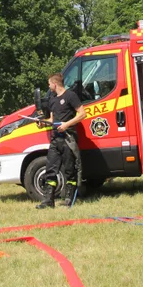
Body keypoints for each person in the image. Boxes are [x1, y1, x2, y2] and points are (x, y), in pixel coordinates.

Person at [37, 73, 87, 209]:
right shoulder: (53, 100)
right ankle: (48, 201)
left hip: (68, 138)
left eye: (49, 84)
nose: (48, 86)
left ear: (55, 84)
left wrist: (66, 124)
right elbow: (52, 120)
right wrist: (43, 123)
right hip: (55, 140)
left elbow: (83, 114)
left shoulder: (71, 96)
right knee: (50, 169)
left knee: (70, 170)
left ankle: (69, 198)